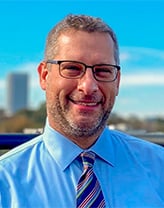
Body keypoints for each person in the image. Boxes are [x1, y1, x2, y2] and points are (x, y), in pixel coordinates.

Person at [0, 14, 164, 208]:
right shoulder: (5, 182)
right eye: (71, 68)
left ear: (117, 81)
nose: (88, 86)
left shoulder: (159, 168)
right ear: (44, 76)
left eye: (103, 70)